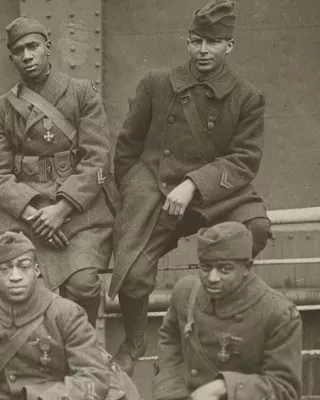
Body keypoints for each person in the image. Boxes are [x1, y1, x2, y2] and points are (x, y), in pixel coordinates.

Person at [109, 0, 273, 375]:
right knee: (132, 275)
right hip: (157, 190)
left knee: (256, 229)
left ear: (228, 46)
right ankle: (134, 341)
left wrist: (193, 185)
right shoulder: (156, 84)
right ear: (187, 42)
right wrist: (136, 193)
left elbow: (244, 160)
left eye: (213, 43)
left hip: (217, 193)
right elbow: (127, 147)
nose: (203, 51)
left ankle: (214, 316)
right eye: (197, 41)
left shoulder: (247, 96)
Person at [0, 17, 118, 326]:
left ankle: (83, 349)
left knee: (83, 284)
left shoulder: (81, 93)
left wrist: (62, 209)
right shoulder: (2, 108)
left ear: (48, 47)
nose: (27, 56)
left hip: (79, 211)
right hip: (25, 213)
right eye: (19, 51)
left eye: (33, 47)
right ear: (12, 58)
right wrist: (34, 214)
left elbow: (97, 158)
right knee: (17, 285)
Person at [0, 231, 140, 400]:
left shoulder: (66, 313)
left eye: (23, 266)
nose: (15, 276)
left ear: (36, 270)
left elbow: (93, 376)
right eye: (5, 269)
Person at [153, 222, 302, 400]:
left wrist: (223, 386)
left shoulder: (279, 314)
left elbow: (285, 389)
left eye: (225, 269)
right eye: (205, 268)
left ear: (247, 267)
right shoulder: (185, 293)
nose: (212, 278)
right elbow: (170, 340)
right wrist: (172, 393)